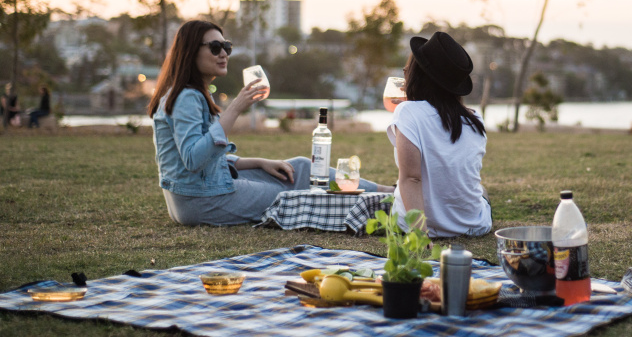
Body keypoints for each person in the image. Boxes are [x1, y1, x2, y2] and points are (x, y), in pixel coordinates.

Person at [148, 20, 392, 227]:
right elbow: (192, 159)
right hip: (199, 200)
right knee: (293, 195)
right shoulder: (186, 97)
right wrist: (235, 108)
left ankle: (385, 191)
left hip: (205, 189)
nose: (223, 54)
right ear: (190, 52)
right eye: (215, 47)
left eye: (226, 47)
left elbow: (206, 159)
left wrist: (259, 162)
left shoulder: (194, 93)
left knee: (299, 168)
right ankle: (383, 208)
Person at [387, 31, 493, 237]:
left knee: (392, 189)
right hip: (473, 226)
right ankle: (387, 189)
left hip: (419, 227)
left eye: (409, 66)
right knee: (482, 191)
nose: (404, 70)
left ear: (419, 75)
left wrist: (420, 234)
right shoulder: (475, 120)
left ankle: (386, 190)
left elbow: (411, 179)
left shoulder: (407, 112)